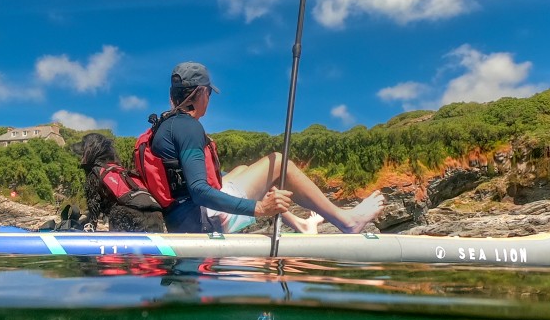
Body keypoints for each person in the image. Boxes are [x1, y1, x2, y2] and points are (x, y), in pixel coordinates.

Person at [137, 61, 385, 234]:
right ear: (201, 93)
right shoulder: (188, 128)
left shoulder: (166, 126)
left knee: (244, 168)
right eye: (209, 94)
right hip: (202, 221)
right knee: (277, 162)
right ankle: (347, 222)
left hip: (181, 217)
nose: (209, 100)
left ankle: (300, 224)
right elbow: (200, 191)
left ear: (173, 97)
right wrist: (259, 208)